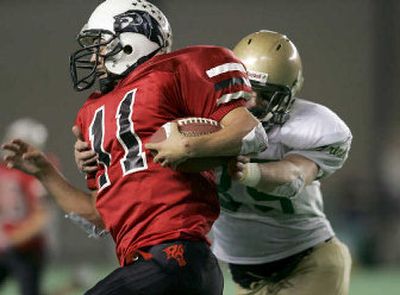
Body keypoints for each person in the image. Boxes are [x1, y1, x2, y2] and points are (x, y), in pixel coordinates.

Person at [2, 1, 268, 294]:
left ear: (131, 40)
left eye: (101, 43)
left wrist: (190, 147)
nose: (94, 55)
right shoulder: (93, 111)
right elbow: (99, 214)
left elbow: (250, 131)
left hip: (177, 256)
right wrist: (45, 172)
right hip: (147, 266)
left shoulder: (178, 70)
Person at [211, 30, 353, 295]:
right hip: (246, 276)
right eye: (245, 89)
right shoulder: (205, 121)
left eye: (265, 94)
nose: (252, 102)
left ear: (287, 95)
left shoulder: (312, 127)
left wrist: (250, 172)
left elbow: (295, 174)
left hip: (308, 262)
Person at [0, 118, 50, 295]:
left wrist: (13, 238)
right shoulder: (5, 170)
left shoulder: (34, 174)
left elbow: (41, 217)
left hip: (27, 248)